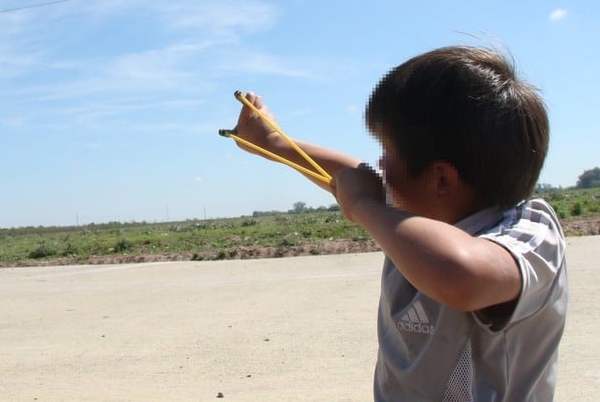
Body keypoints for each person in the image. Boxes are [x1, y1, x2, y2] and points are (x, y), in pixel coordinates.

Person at [230, 46, 567, 401]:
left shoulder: (529, 234)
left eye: (388, 153)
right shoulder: (417, 213)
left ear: (441, 180)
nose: (379, 165)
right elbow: (352, 175)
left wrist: (363, 205)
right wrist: (274, 143)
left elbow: (459, 275)